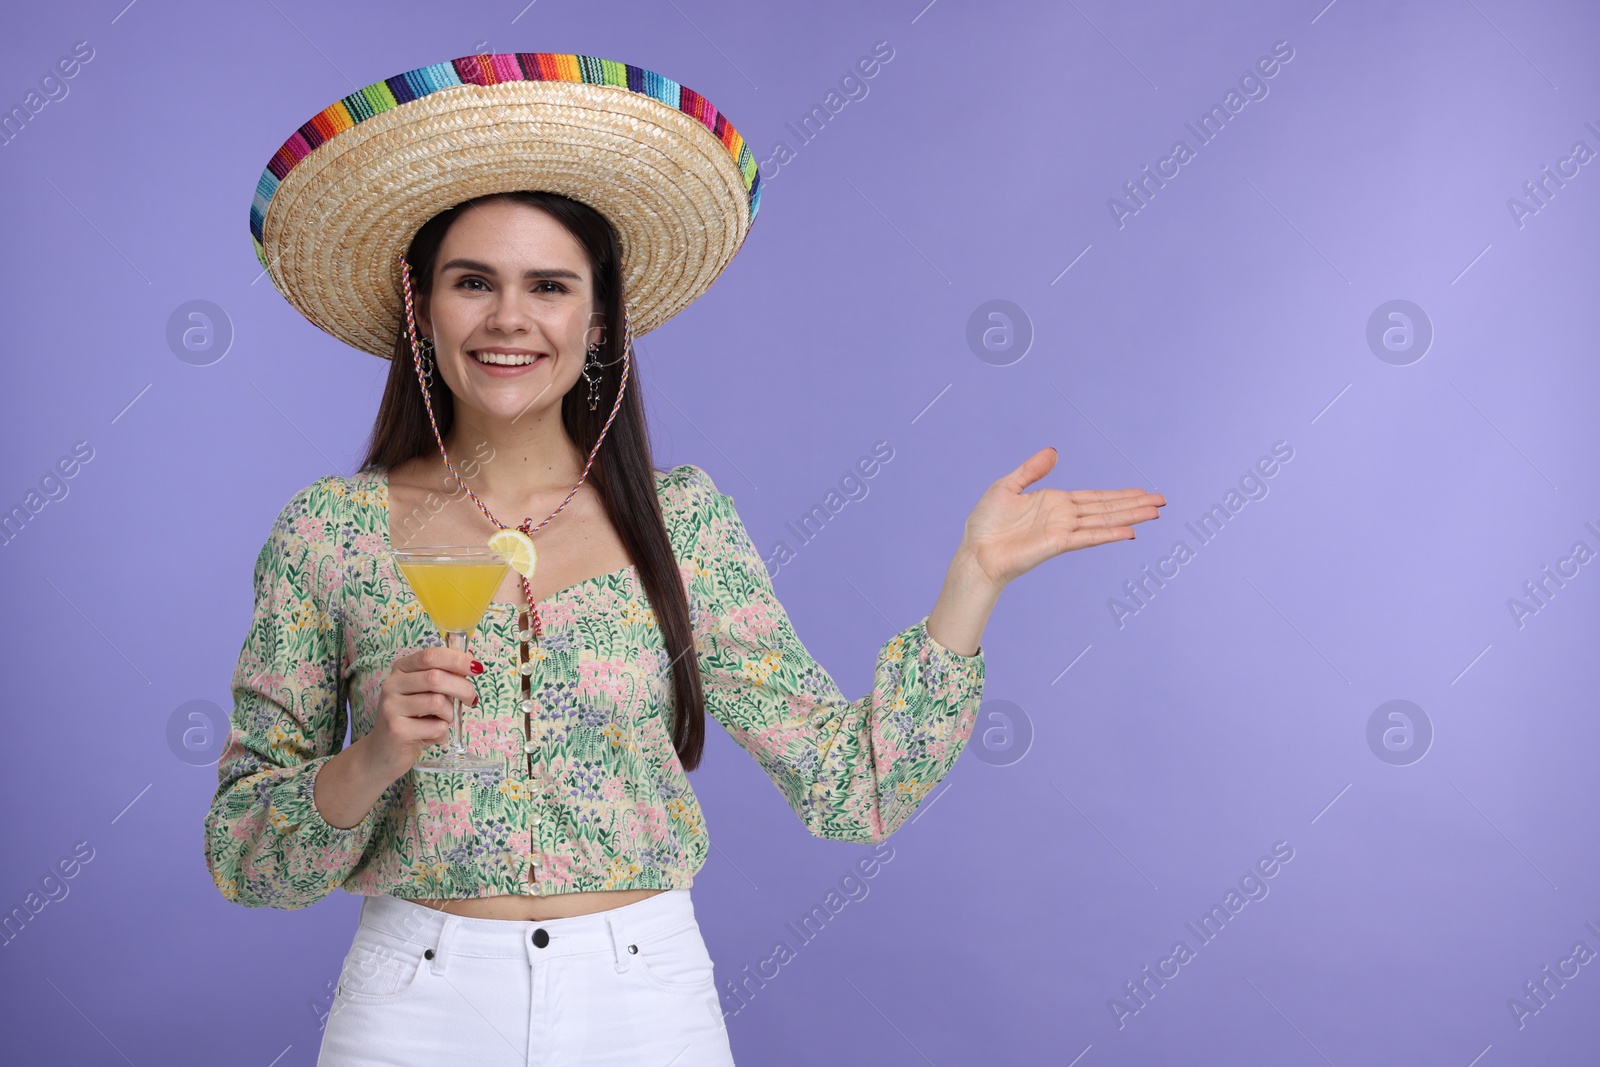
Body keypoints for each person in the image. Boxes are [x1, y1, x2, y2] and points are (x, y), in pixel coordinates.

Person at [205, 52, 1164, 1066]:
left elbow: (854, 789)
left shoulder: (682, 522)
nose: (508, 318)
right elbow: (244, 856)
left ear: (600, 318)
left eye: (549, 286)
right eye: (471, 282)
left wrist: (972, 581)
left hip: (640, 997)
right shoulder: (331, 533)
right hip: (414, 1000)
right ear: (422, 306)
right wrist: (372, 758)